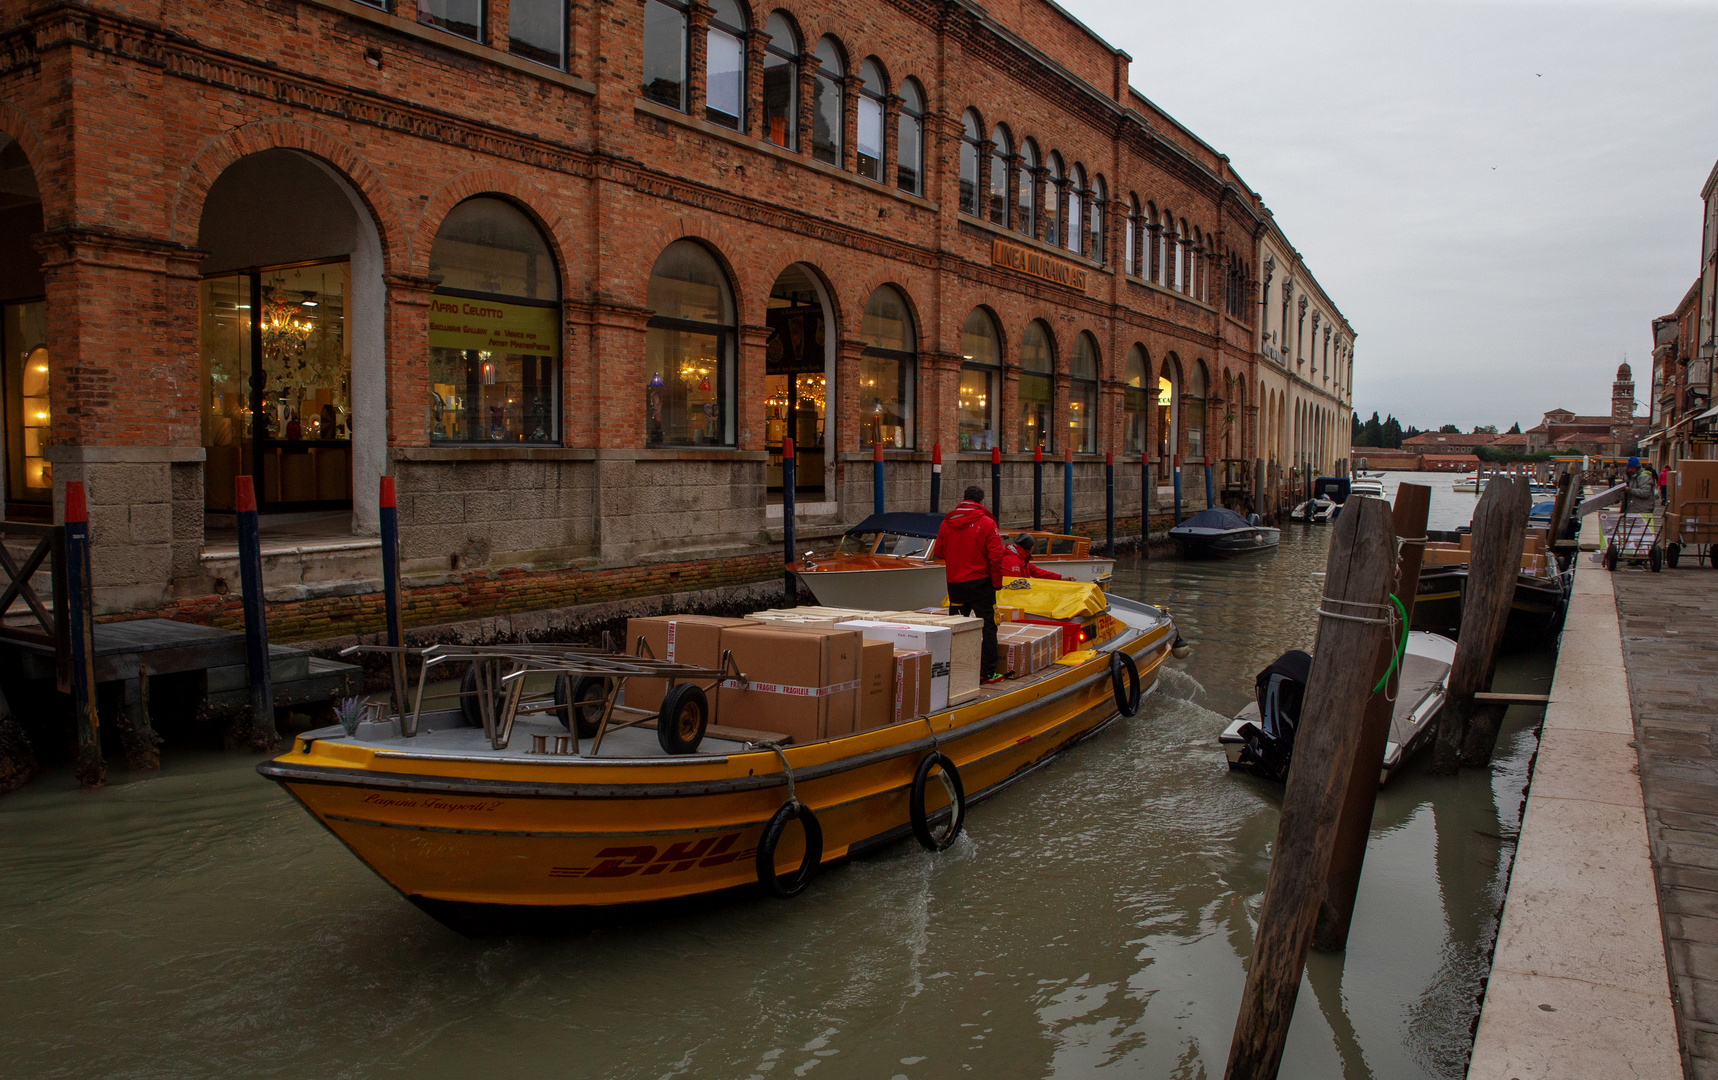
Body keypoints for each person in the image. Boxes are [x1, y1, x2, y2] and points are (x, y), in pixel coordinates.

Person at [937, 485, 1006, 684]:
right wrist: (996, 583)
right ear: (981, 502)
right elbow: (995, 556)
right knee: (988, 626)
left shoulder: (947, 523)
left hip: (955, 584)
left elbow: (940, 552)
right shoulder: (986, 523)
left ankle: (954, 670)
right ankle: (986, 672)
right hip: (980, 583)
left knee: (956, 627)